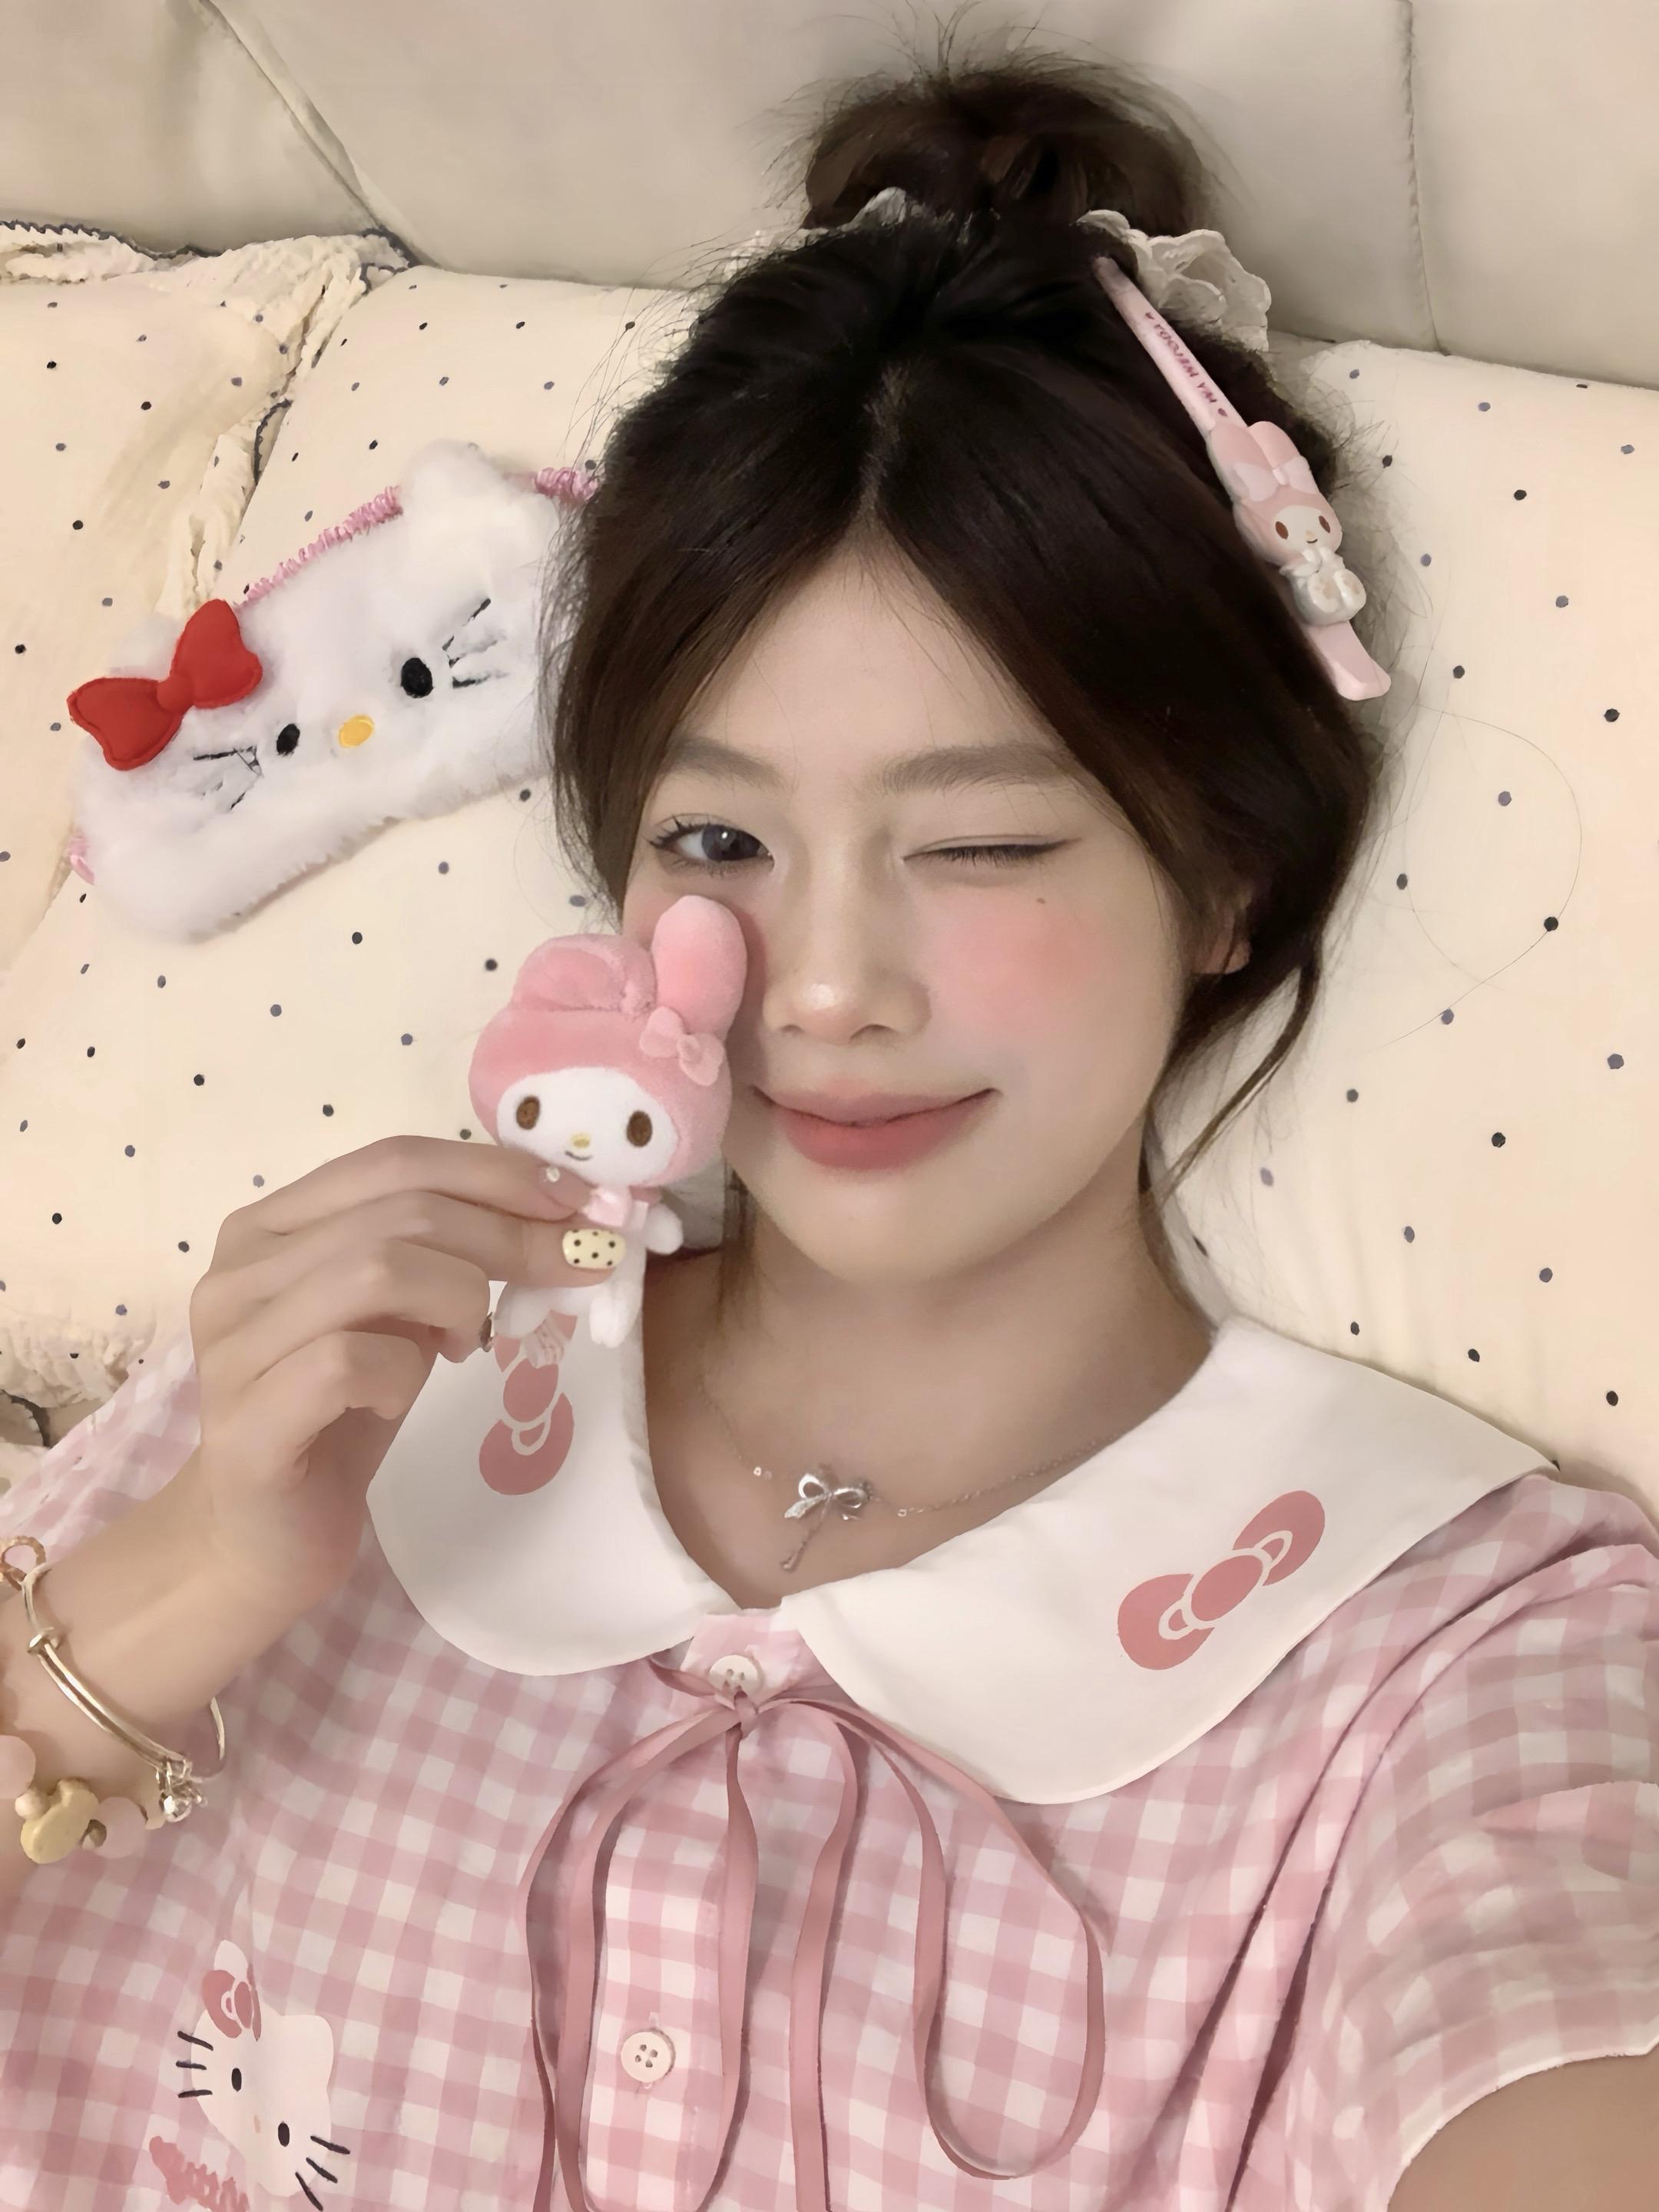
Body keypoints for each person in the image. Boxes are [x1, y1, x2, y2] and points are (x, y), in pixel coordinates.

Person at [3, 34, 1656, 2212]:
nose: (827, 991)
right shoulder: (320, 1388)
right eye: (720, 842)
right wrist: (190, 1577)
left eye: (979, 848)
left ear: (1227, 879)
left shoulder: (1456, 1651)